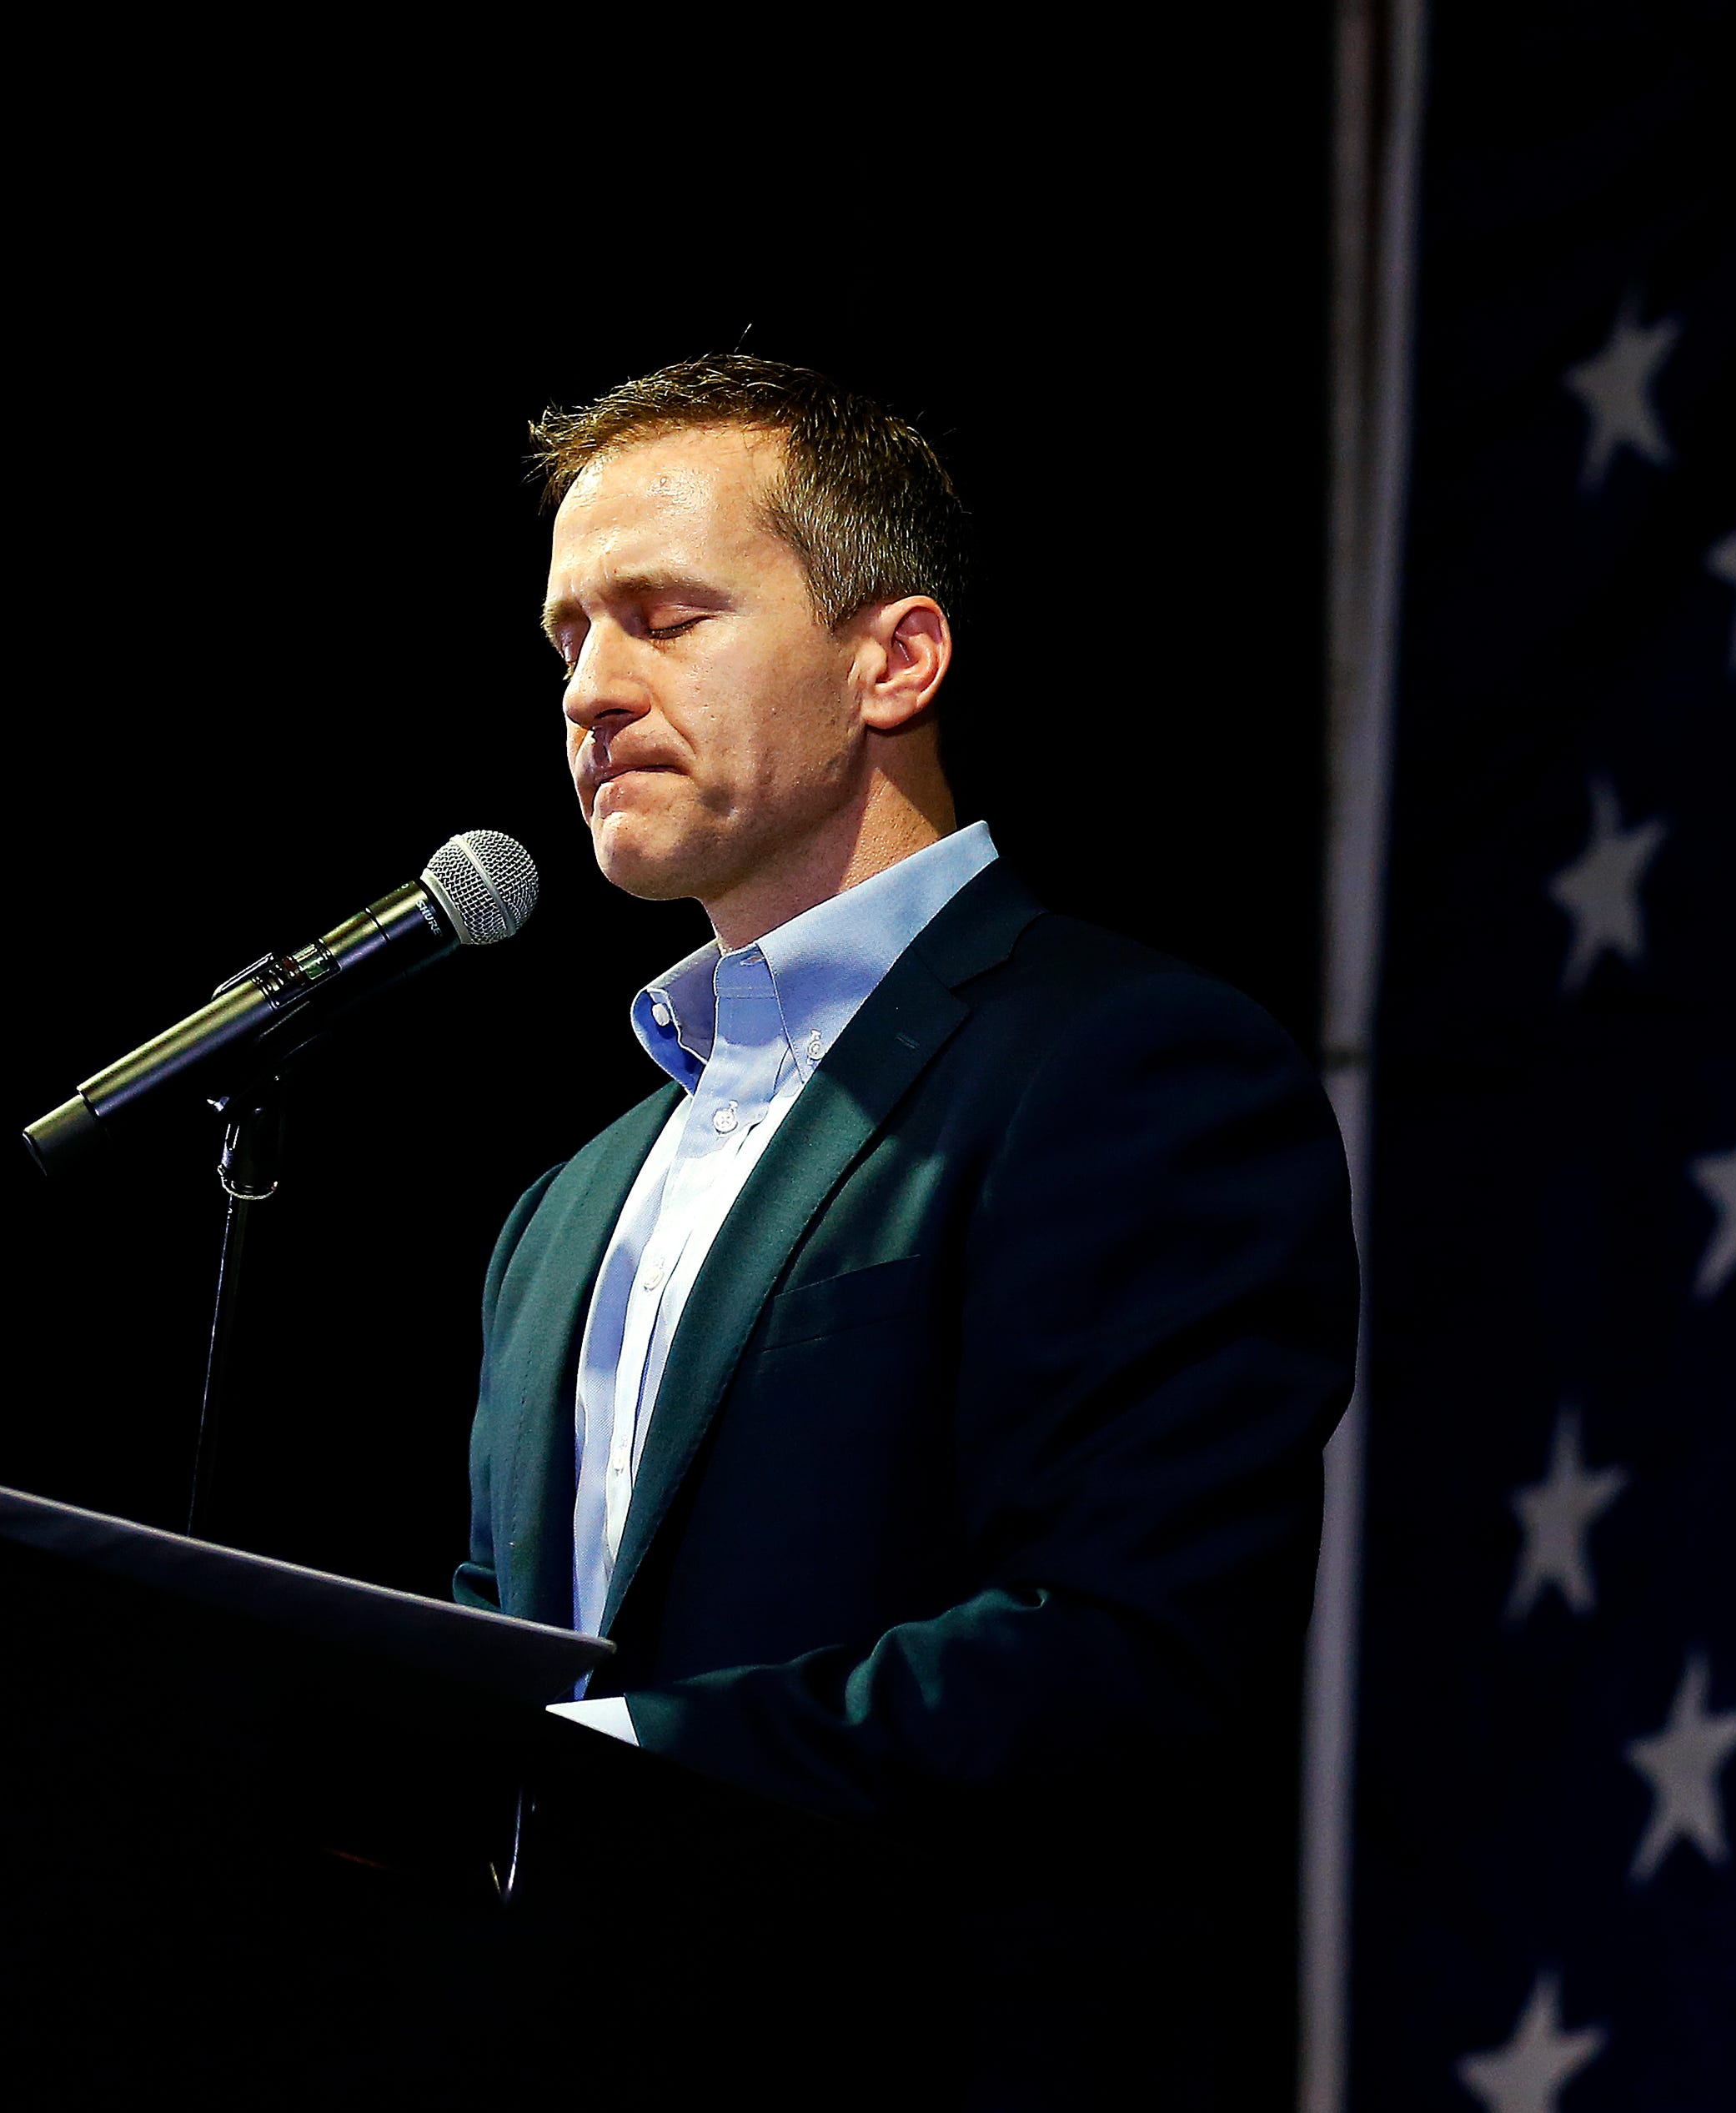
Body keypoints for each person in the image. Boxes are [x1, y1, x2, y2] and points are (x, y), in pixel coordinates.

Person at [452, 355, 1358, 2106]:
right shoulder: (564, 1209)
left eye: (665, 617)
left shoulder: (1125, 1067)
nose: (592, 690)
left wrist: (611, 1760)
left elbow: (1126, 1650)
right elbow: (505, 1653)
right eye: (567, 637)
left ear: (897, 660)